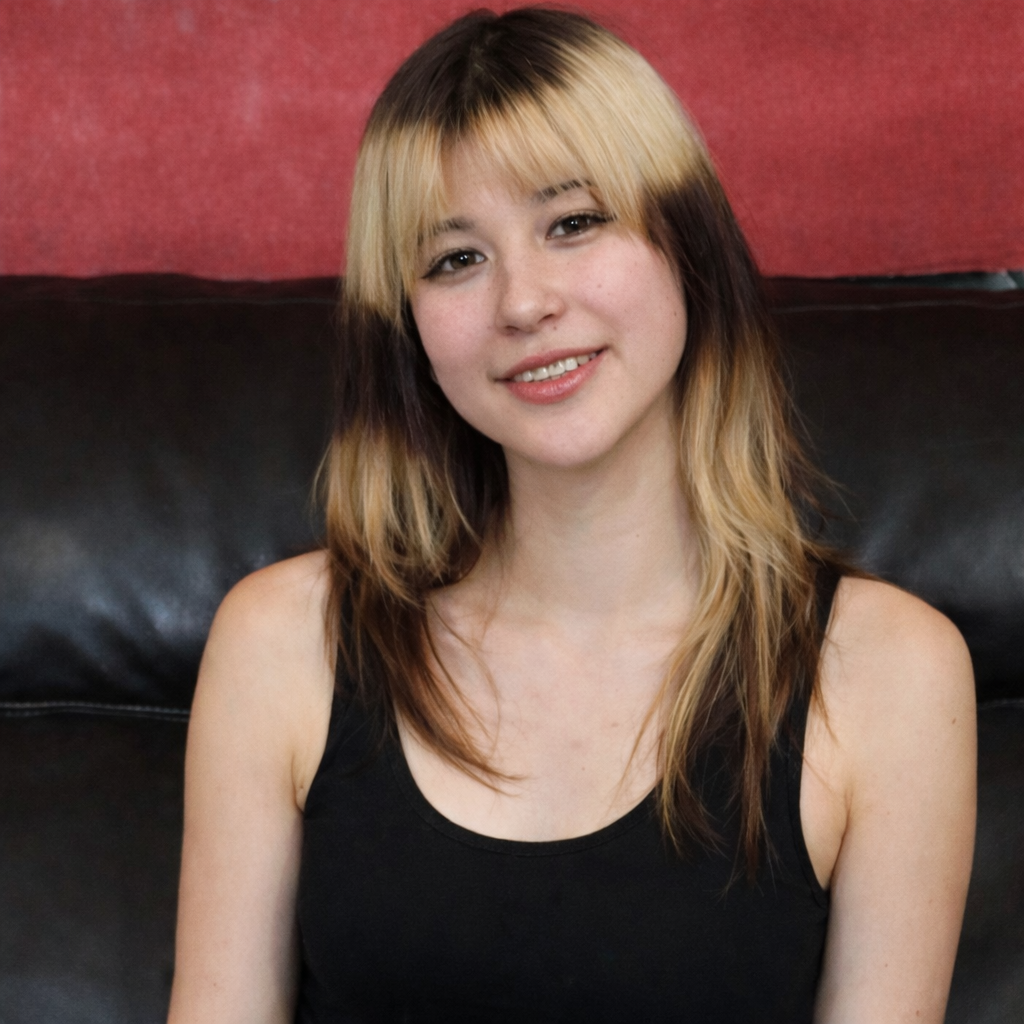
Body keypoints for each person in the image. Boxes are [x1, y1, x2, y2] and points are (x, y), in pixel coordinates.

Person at [167, 8, 976, 1022]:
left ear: (686, 243)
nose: (523, 302)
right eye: (455, 259)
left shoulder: (892, 673)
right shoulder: (283, 642)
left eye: (574, 222)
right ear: (406, 328)